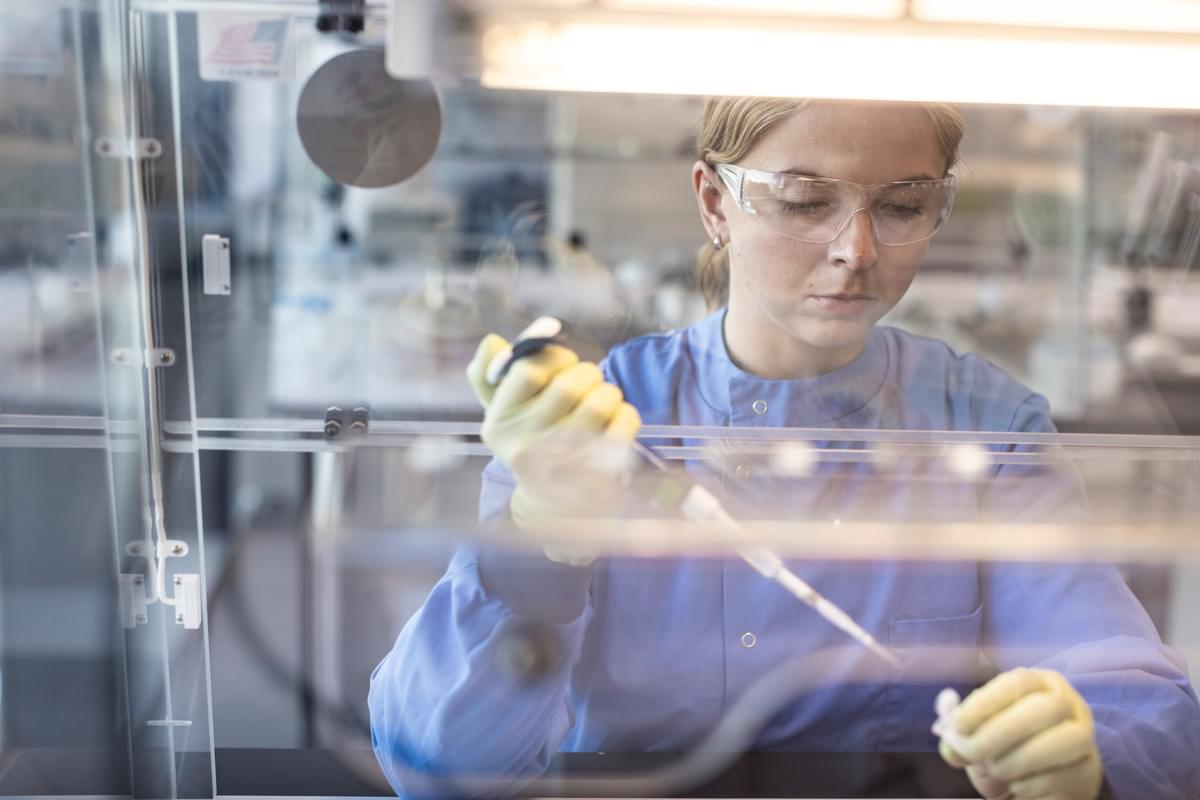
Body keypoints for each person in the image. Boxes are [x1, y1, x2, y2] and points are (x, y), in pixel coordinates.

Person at [369, 98, 1200, 800]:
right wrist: (536, 546)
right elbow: (438, 765)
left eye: (904, 205)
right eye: (805, 201)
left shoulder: (986, 427)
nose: (856, 250)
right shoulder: (592, 422)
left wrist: (1087, 751)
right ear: (713, 202)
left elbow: (1138, 698)